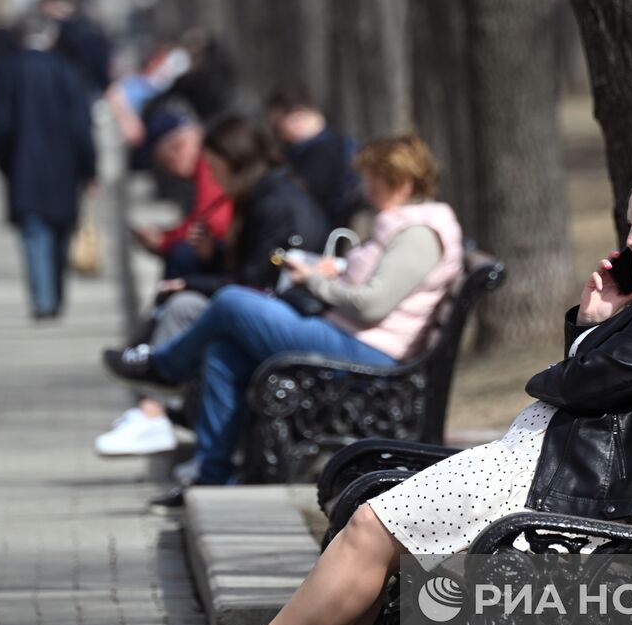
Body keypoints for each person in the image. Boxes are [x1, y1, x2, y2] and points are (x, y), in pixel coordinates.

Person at [141, 169, 632, 625]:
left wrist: (586, 335)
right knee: (378, 540)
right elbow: (596, 381)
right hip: (546, 468)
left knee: (369, 527)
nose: (630, 241)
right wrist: (595, 323)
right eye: (631, 225)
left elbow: (578, 384)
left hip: (561, 490)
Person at [102, 133, 465, 492]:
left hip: (370, 352)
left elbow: (372, 305)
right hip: (347, 334)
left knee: (232, 301)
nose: (365, 187)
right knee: (223, 353)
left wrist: (313, 281)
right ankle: (210, 475)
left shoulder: (418, 234)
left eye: (372, 178)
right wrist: (335, 271)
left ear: (400, 182)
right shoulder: (401, 227)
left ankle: (164, 368)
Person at [94, 116, 329, 458]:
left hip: (292, 314)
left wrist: (192, 281)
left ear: (237, 163)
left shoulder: (272, 202)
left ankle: (157, 392)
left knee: (184, 305)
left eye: (216, 168)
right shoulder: (269, 192)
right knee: (194, 314)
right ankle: (193, 445)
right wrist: (213, 256)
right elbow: (257, 271)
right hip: (283, 305)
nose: (214, 178)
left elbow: (253, 284)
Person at [0, 16, 97, 320]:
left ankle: (43, 300)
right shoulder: (66, 70)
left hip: (23, 168)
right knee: (60, 232)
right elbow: (81, 127)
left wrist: (5, 163)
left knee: (34, 233)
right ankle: (54, 298)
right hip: (65, 170)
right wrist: (89, 168)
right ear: (50, 37)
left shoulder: (5, 71)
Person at [130, 112, 235, 281]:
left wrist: (165, 240)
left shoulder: (208, 160)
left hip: (238, 250)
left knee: (182, 255)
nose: (170, 167)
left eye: (166, 160)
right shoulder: (205, 161)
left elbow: (210, 224)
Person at [265, 86, 364, 230]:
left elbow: (303, 201)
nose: (278, 133)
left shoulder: (323, 151)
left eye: (277, 125)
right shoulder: (328, 145)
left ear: (297, 116)